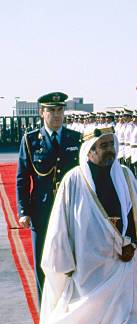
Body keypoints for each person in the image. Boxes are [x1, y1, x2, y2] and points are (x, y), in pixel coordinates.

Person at [23, 127, 137, 324]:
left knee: (121, 318)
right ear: (89, 151)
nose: (110, 150)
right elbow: (60, 227)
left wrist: (132, 244)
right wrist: (63, 263)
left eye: (111, 144)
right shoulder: (73, 180)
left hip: (119, 264)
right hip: (86, 268)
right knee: (85, 320)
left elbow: (136, 217)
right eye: (103, 146)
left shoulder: (125, 176)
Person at [16, 92, 82, 301]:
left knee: (73, 260)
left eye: (60, 110)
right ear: (41, 112)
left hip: (71, 209)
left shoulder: (75, 138)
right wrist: (24, 211)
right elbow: (23, 179)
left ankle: (71, 308)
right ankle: (47, 311)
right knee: (43, 262)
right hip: (42, 210)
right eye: (51, 110)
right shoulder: (30, 140)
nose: (56, 115)